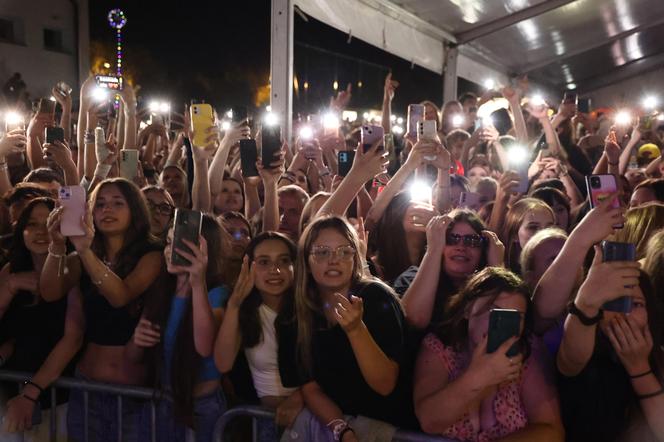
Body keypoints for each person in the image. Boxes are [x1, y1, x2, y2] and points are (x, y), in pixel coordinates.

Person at [39, 178, 163, 441]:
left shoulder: (152, 254)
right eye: (101, 204)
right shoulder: (83, 256)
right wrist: (58, 246)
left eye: (118, 203)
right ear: (90, 212)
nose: (108, 210)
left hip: (134, 394)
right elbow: (50, 292)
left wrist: (84, 251)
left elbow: (121, 296)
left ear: (135, 210)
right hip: (86, 386)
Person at [279, 216, 414, 440]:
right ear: (306, 263)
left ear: (355, 259)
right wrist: (342, 430)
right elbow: (310, 388)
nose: (334, 260)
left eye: (344, 251)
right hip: (334, 424)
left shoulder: (377, 299)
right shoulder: (295, 314)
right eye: (322, 252)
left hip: (389, 426)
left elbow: (385, 385)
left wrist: (355, 330)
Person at [413, 267, 564, 441]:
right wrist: (479, 376)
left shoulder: (528, 353)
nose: (498, 325)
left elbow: (552, 432)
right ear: (468, 310)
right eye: (493, 311)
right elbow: (429, 421)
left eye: (515, 317)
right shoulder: (439, 348)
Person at [129, 214, 229, 441]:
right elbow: (133, 356)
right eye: (168, 242)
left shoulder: (217, 293)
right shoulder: (159, 291)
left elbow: (204, 347)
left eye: (182, 244)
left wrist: (196, 281)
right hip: (162, 400)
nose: (171, 251)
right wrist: (138, 339)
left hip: (202, 408)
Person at [557, 249, 664, 441]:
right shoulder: (585, 356)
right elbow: (571, 357)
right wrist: (587, 302)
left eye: (637, 304)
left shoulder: (659, 358)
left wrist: (639, 368)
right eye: (615, 303)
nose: (625, 314)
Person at [0, 198, 82, 441]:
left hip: (56, 397)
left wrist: (30, 393)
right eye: (32, 224)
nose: (40, 232)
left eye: (49, 223)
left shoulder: (73, 267)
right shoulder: (11, 269)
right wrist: (10, 286)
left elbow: (73, 338)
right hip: (9, 394)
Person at [214, 232, 303, 436]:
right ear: (248, 266)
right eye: (264, 262)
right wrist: (235, 304)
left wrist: (299, 398)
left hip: (309, 418)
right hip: (265, 421)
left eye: (284, 260)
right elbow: (223, 363)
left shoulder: (308, 309)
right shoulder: (244, 310)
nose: (275, 270)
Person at [399, 209, 504, 330]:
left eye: (472, 241)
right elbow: (414, 320)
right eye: (451, 238)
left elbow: (502, 328)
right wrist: (433, 250)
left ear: (484, 251)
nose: (461, 247)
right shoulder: (412, 277)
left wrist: (497, 269)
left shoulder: (485, 290)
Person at [500, 198, 555, 274]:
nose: (544, 233)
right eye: (533, 227)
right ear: (514, 235)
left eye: (549, 227)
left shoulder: (562, 265)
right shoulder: (506, 274)